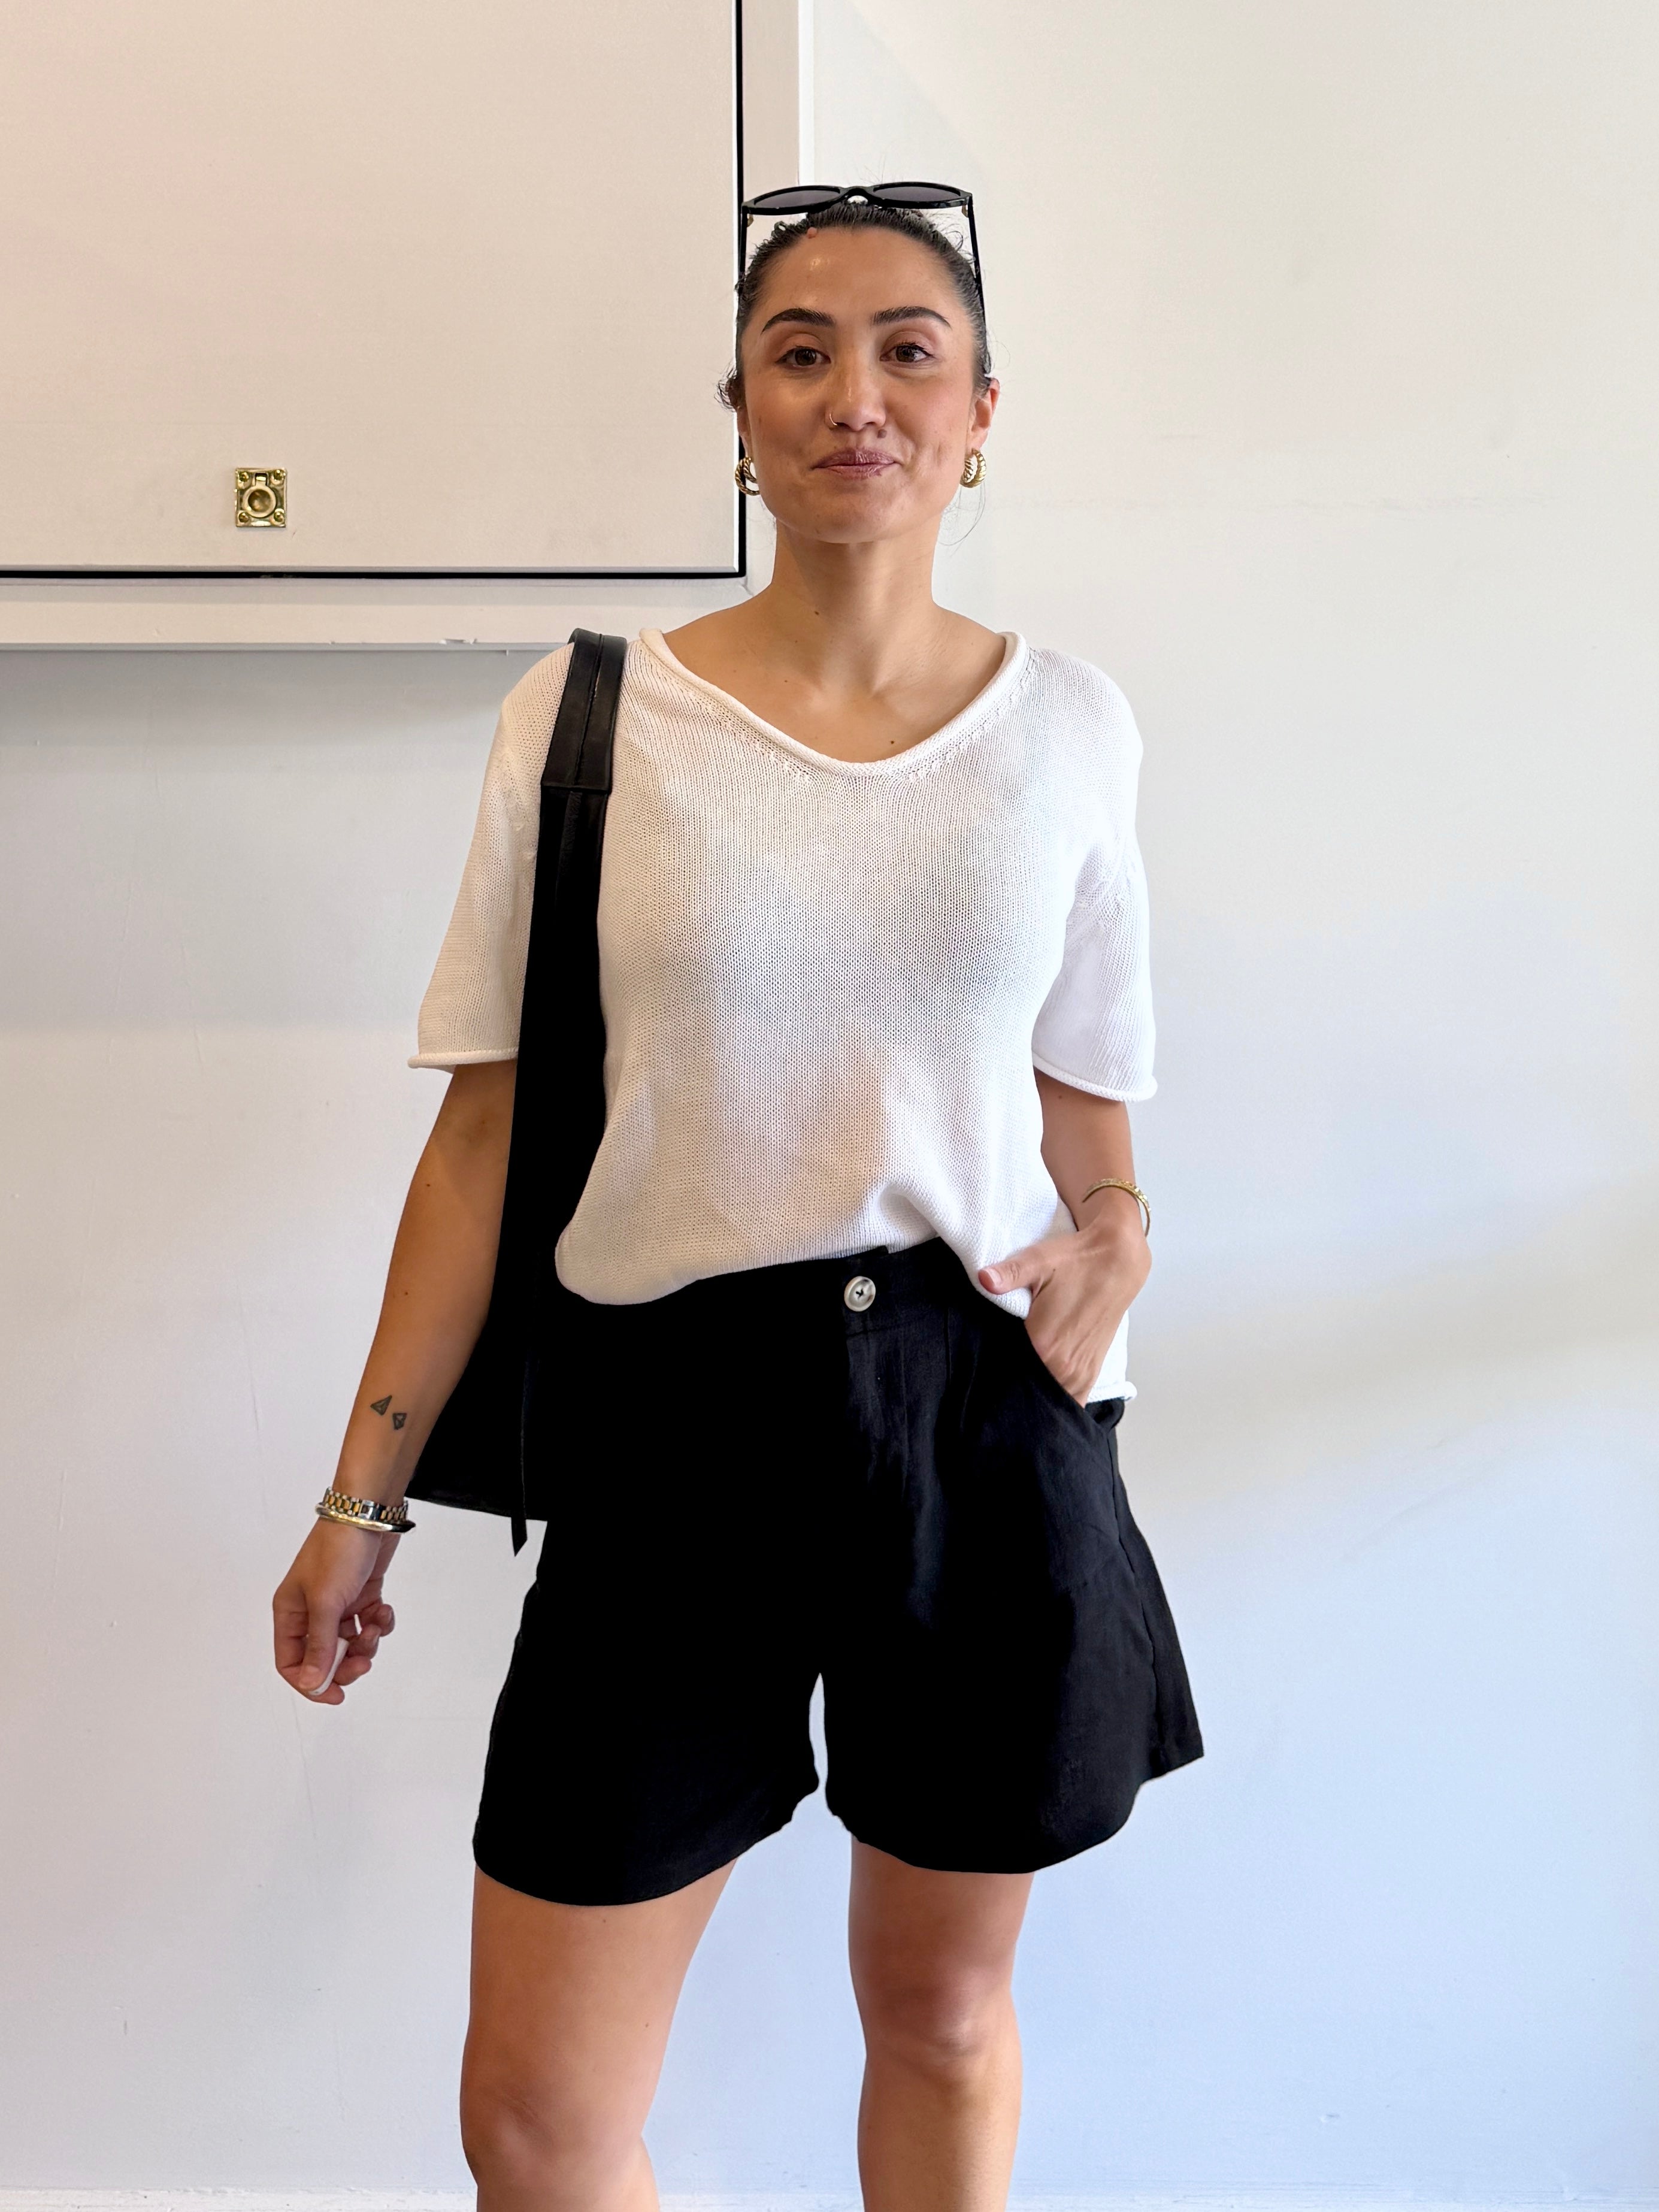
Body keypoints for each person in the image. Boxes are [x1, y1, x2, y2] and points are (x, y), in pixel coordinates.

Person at [272, 191, 1202, 2212]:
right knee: (539, 2121)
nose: (854, 392)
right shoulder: (591, 719)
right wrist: (360, 1501)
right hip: (672, 1425)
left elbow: (1089, 1104)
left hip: (975, 1419)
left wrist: (1119, 1234)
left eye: (905, 349)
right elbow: (482, 1140)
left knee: (939, 2017)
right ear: (740, 410)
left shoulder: (1069, 727)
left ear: (978, 413)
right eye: (799, 349)